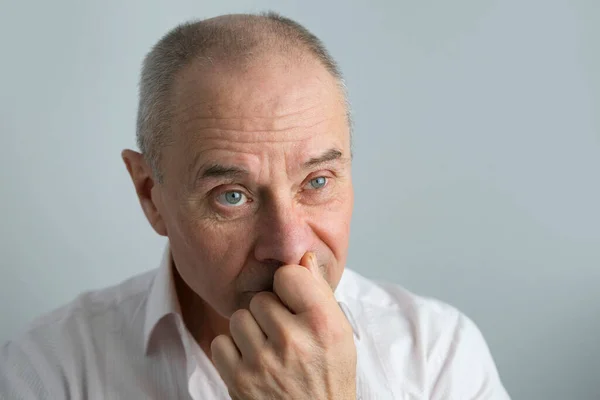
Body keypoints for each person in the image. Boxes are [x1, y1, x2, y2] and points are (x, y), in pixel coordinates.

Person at [0, 12, 510, 399]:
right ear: (150, 195)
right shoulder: (49, 370)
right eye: (232, 196)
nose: (289, 247)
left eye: (317, 181)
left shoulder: (439, 355)